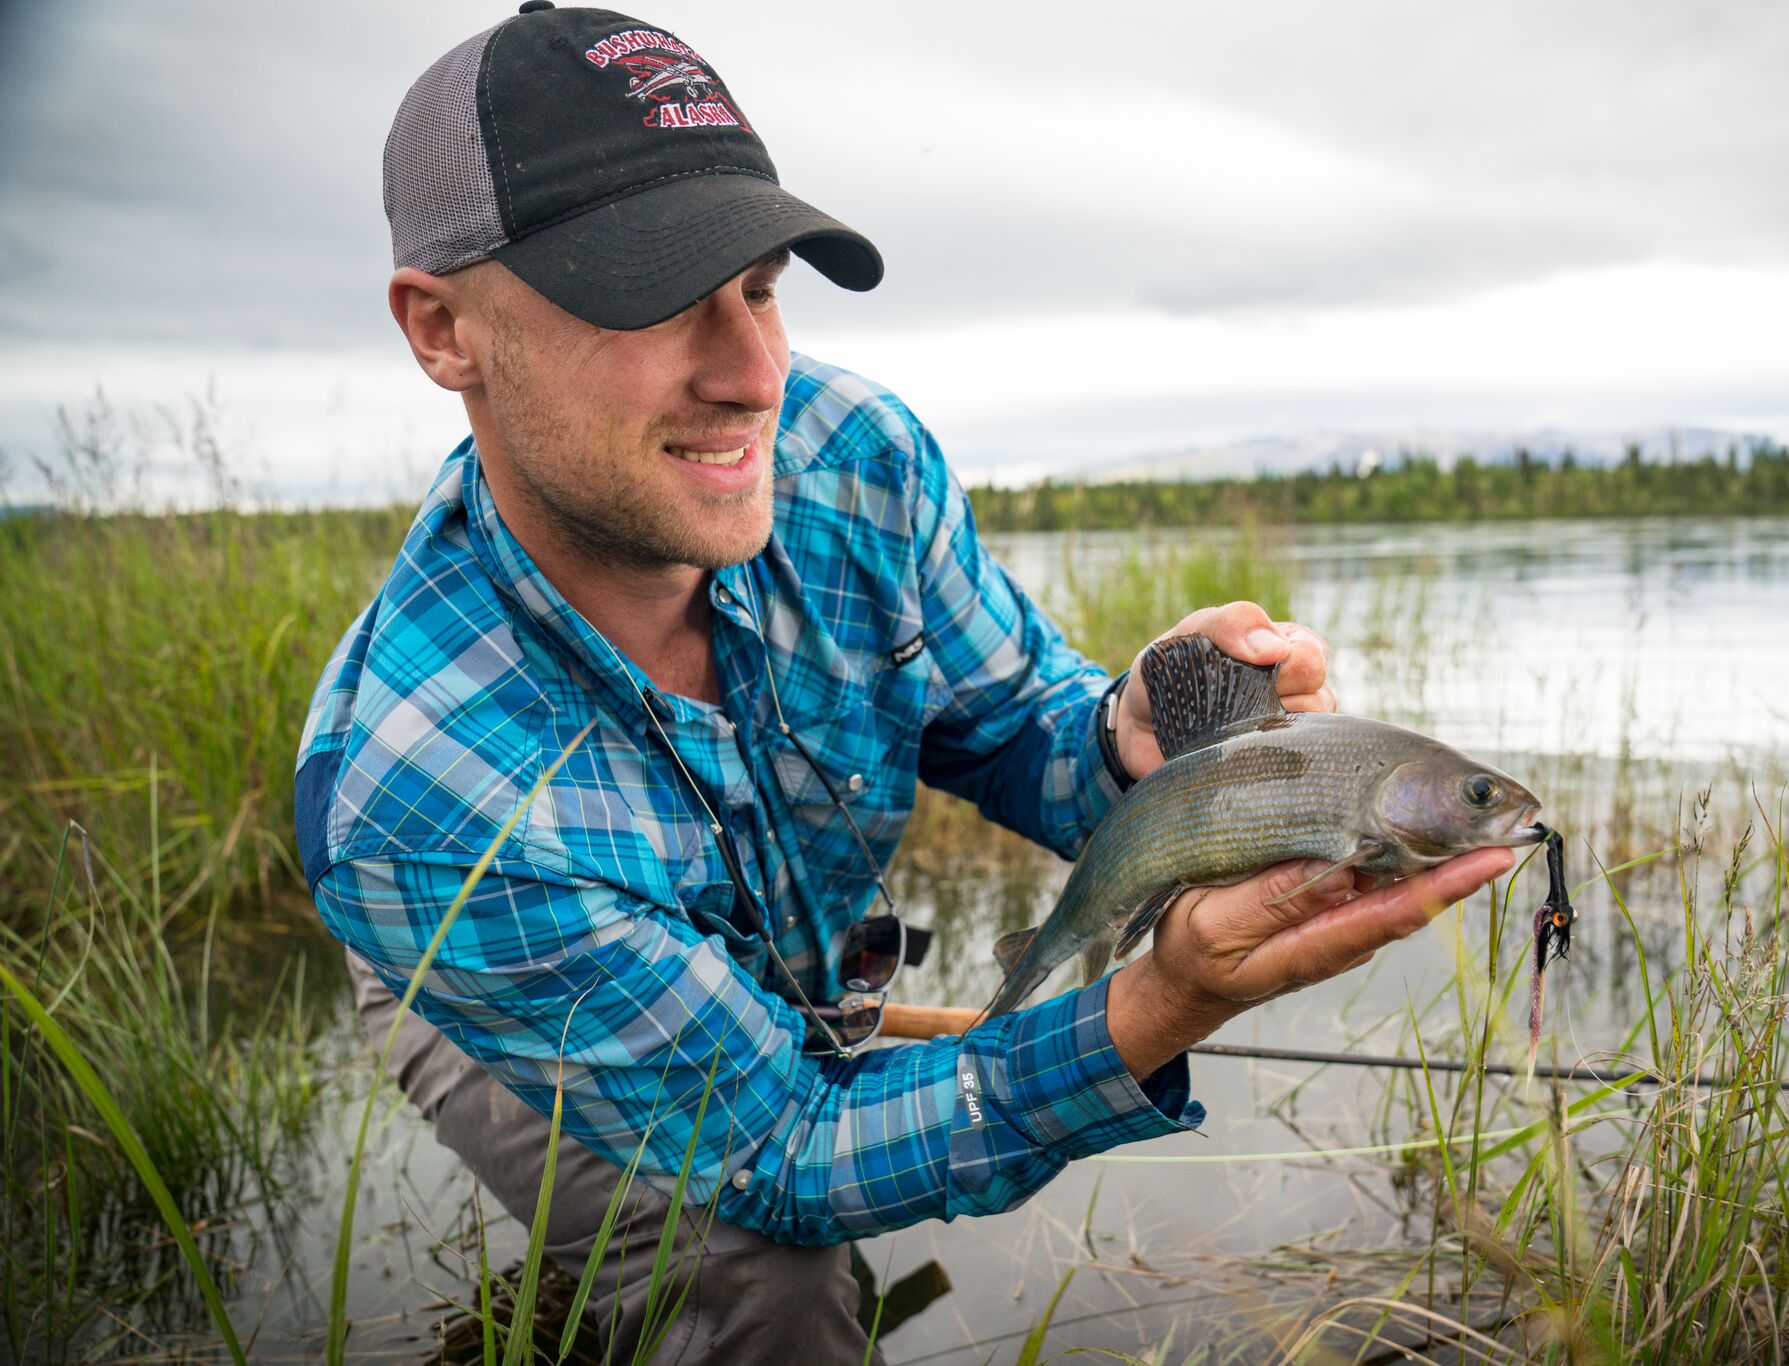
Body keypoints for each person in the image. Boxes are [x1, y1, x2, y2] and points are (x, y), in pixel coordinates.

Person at [295, 4, 1516, 1361]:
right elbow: (789, 1148)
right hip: (488, 968)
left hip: (759, 960)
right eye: (650, 297)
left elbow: (1013, 725)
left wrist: (1129, 734)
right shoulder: (419, 805)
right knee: (771, 1277)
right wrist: (1160, 1003)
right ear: (443, 331)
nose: (757, 375)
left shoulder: (856, 454)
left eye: (759, 286)